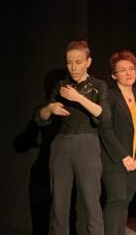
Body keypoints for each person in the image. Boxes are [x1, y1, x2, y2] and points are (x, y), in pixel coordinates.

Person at [35, 40, 110, 235]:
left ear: (88, 62)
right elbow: (40, 118)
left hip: (87, 142)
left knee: (90, 201)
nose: (73, 67)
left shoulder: (97, 86)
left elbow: (103, 115)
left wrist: (77, 98)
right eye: (69, 63)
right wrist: (49, 109)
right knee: (59, 203)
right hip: (61, 144)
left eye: (78, 62)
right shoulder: (61, 85)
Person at [98, 50, 136, 235]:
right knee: (116, 199)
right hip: (115, 160)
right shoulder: (109, 97)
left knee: (125, 202)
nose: (129, 73)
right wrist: (124, 156)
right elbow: (105, 129)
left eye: (131, 68)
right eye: (123, 70)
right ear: (114, 75)